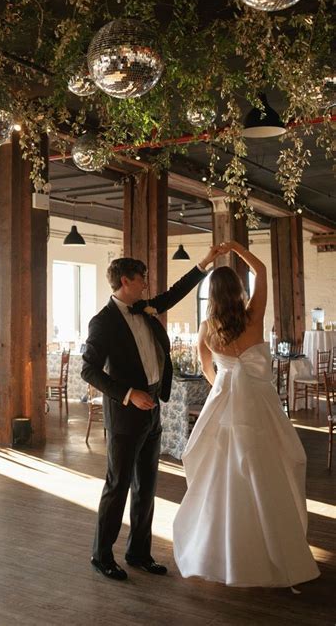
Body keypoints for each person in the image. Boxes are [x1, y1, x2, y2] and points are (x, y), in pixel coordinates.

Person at [173, 240, 320, 588]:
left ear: (211, 295)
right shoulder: (254, 316)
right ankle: (272, 546)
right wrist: (237, 248)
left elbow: (209, 371)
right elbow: (263, 271)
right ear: (238, 290)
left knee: (220, 475)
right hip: (259, 403)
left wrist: (225, 388)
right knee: (269, 468)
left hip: (224, 402)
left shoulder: (207, 330)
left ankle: (222, 550)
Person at [82, 246, 223, 581]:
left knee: (146, 486)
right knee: (117, 485)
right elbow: (88, 371)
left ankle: (139, 552)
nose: (146, 283)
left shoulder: (145, 309)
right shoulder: (102, 322)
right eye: (142, 277)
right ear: (126, 280)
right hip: (126, 415)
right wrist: (129, 394)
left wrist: (204, 264)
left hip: (152, 411)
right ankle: (101, 555)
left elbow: (175, 293)